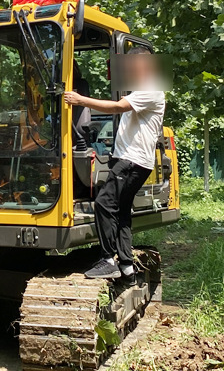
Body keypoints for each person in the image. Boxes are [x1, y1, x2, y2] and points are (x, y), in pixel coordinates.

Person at [64, 47, 165, 282]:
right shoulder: (141, 90)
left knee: (103, 203)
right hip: (132, 160)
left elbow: (118, 107)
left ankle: (108, 260)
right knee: (121, 211)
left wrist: (80, 100)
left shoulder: (150, 90)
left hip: (132, 161)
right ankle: (127, 266)